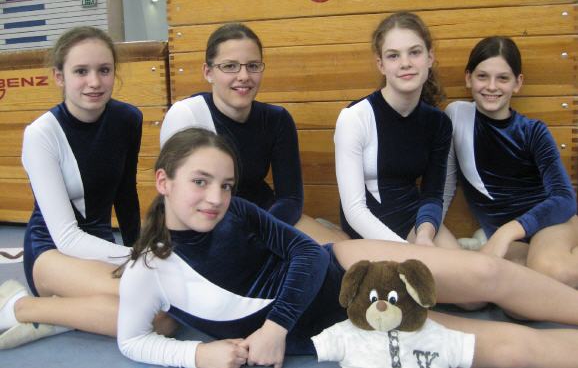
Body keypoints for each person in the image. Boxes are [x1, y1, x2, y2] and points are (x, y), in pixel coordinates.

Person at [119, 127, 578, 368]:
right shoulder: (150, 269)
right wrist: (196, 356)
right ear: (164, 181)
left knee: (486, 273)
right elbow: (132, 341)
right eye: (200, 182)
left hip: (345, 266)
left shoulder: (238, 210)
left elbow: (305, 252)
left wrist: (275, 328)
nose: (215, 197)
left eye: (225, 184)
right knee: (512, 351)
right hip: (342, 324)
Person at [0, 26, 155, 349]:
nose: (94, 82)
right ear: (60, 77)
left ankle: (58, 314)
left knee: (162, 311)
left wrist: (139, 250)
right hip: (51, 252)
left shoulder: (127, 119)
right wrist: (136, 258)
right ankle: (18, 306)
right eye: (81, 71)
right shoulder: (42, 134)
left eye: (104, 70)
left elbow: (126, 194)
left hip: (99, 247)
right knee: (150, 305)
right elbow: (66, 237)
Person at [160, 22, 347, 243]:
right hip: (209, 221)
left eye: (253, 66)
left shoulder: (277, 119)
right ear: (208, 72)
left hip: (266, 217)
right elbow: (178, 199)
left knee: (341, 249)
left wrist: (262, 230)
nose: (244, 76)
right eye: (230, 66)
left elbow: (290, 198)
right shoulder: (187, 114)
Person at [443, 36, 578, 287]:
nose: (491, 86)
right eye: (482, 76)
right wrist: (430, 230)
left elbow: (564, 198)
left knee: (551, 269)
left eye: (503, 78)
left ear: (518, 83)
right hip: (506, 239)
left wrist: (507, 231)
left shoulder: (533, 131)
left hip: (551, 224)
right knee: (500, 287)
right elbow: (446, 185)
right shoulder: (457, 116)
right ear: (468, 78)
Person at [335, 12, 458, 247]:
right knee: (431, 267)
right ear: (381, 64)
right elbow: (354, 210)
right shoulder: (355, 117)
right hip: (366, 228)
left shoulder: (438, 122)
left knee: (471, 267)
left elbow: (432, 195)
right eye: (393, 56)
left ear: (430, 57)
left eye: (415, 52)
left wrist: (424, 235)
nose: (405, 63)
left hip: (414, 222)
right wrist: (408, 251)